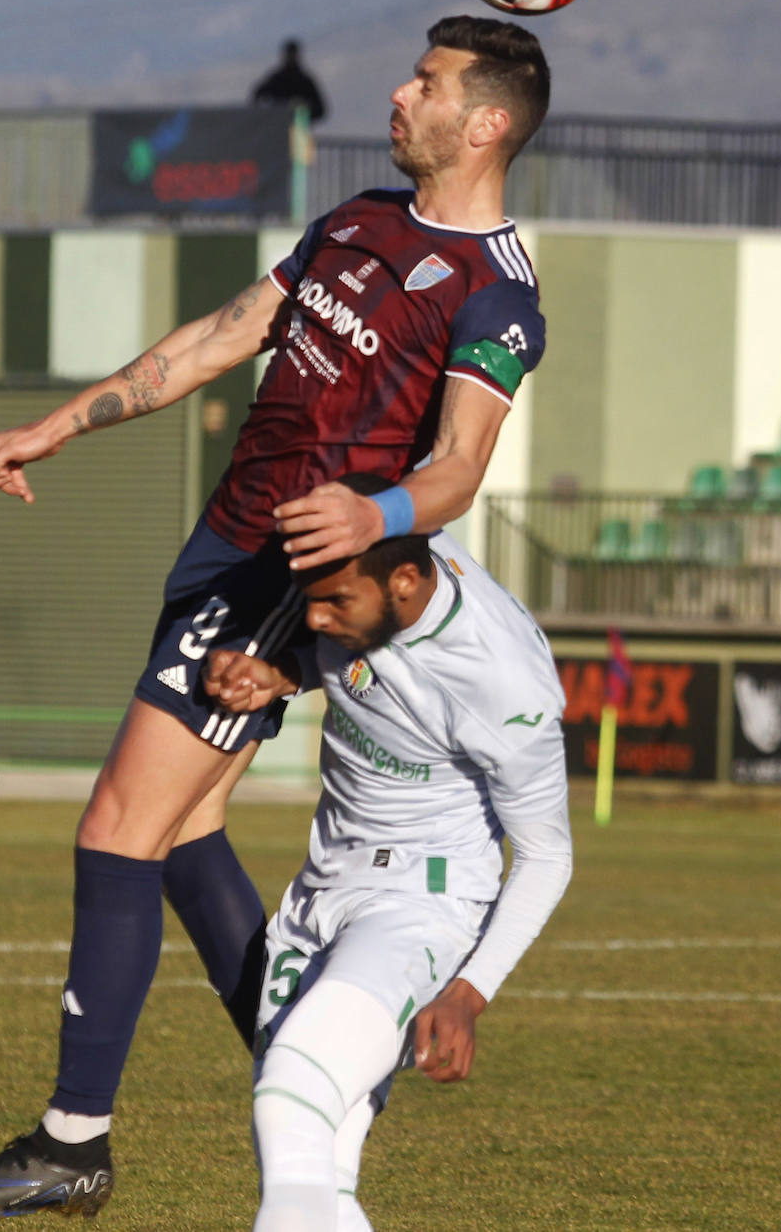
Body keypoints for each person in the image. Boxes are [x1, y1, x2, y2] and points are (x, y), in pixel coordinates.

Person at [0, 16, 552, 1220]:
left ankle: (72, 1144)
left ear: (485, 125)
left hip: (281, 575)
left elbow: (462, 464)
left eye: (425, 82)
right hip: (219, 547)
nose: (398, 92)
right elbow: (219, 337)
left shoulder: (497, 292)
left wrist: (375, 517)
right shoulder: (355, 220)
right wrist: (68, 418)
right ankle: (312, 1072)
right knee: (188, 833)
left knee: (116, 830)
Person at [204, 478, 573, 1232]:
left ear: (408, 581)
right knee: (323, 1168)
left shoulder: (504, 686)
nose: (313, 618)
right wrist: (284, 672)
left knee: (290, 1095)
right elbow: (372, 671)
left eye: (335, 602)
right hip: (321, 890)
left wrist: (469, 991)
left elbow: (546, 856)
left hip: (421, 903)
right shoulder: (379, 573)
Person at [251, 38, 328, 123]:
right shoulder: (277, 79)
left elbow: (320, 109)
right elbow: (257, 96)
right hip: (278, 126)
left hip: (298, 127)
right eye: (289, 54)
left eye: (293, 54)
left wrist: (304, 109)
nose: (291, 57)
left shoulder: (304, 81)